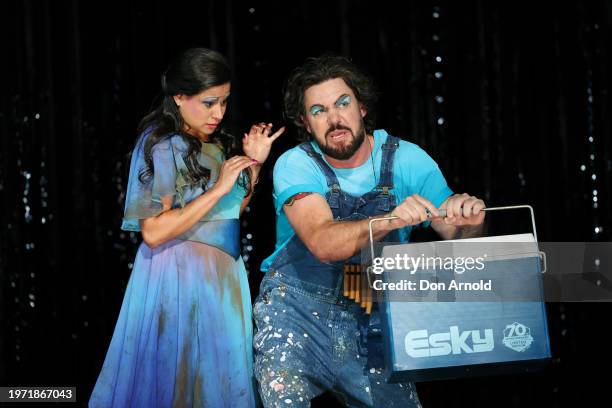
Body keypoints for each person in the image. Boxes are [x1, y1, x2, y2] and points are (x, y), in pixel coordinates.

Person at [252, 55, 485, 407]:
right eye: (319, 111)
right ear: (305, 122)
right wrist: (392, 218)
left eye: (342, 104)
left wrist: (471, 223)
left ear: (361, 107)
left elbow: (460, 240)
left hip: (373, 317)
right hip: (295, 319)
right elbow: (323, 242)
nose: (334, 119)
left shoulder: (408, 159)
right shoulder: (296, 164)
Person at [89, 48, 284, 407]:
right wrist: (221, 187)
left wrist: (254, 165)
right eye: (208, 103)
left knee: (218, 384)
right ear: (179, 97)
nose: (219, 113)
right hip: (180, 275)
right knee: (179, 383)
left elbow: (230, 213)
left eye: (224, 102)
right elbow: (154, 231)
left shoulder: (217, 145)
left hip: (225, 278)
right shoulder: (160, 145)